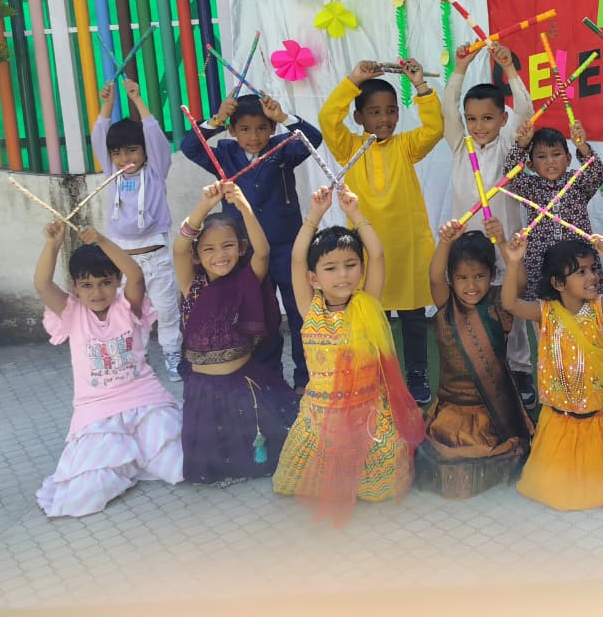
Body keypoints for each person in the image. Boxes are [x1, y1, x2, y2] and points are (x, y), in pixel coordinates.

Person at [273, 185, 425, 523]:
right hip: (321, 416)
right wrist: (314, 214)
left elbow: (378, 254)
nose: (342, 275)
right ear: (313, 278)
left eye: (350, 265)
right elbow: (297, 259)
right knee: (310, 482)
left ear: (361, 269)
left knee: (381, 484)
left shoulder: (367, 302)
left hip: (367, 412)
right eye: (330, 268)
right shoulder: (309, 309)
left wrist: (355, 213)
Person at [501, 234, 603, 510]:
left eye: (593, 269)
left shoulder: (598, 308)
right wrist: (514, 263)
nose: (592, 277)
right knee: (565, 485)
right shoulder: (545, 313)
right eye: (581, 272)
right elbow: (510, 304)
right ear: (558, 283)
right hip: (562, 419)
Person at [34, 223, 182, 517]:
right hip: (97, 411)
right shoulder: (72, 313)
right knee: (83, 496)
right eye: (86, 285)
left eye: (105, 282)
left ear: (117, 281)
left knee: (179, 465)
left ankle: (137, 455)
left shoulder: (128, 306)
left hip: (146, 400)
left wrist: (102, 240)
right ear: (75, 287)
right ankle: (127, 459)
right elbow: (43, 285)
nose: (97, 292)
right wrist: (52, 244)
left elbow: (136, 274)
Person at [318, 59, 443, 405]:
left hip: (407, 247)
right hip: (368, 250)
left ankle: (417, 373)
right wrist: (353, 79)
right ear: (359, 117)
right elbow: (328, 118)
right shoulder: (349, 148)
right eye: (374, 112)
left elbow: (434, 129)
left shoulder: (406, 145)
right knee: (375, 318)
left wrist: (420, 85)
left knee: (414, 317)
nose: (384, 119)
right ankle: (382, 375)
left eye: (391, 111)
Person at [182, 92, 324, 391]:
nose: (254, 136)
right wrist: (217, 120)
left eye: (262, 128)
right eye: (244, 129)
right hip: (248, 253)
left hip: (288, 249)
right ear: (232, 131)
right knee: (261, 317)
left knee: (300, 313)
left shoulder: (282, 149)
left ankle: (306, 379)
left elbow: (314, 138)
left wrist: (283, 117)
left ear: (272, 128)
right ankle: (269, 382)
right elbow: (190, 146)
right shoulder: (225, 155)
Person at [173, 182, 298, 483]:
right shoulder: (192, 285)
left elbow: (263, 252)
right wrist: (204, 206)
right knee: (211, 461)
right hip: (202, 388)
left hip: (243, 384)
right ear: (196, 255)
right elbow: (178, 248)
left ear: (241, 248)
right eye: (209, 249)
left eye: (228, 245)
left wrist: (243, 206)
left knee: (258, 452)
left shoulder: (247, 279)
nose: (220, 254)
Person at [443, 42, 536, 405]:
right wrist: (459, 68)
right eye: (472, 119)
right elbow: (447, 108)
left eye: (487, 118)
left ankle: (520, 370)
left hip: (505, 244)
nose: (479, 126)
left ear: (502, 119)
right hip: (468, 250)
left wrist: (509, 69)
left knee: (509, 305)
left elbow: (525, 110)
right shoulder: (459, 145)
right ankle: (480, 371)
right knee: (472, 309)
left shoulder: (509, 146)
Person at [415, 219, 533, 499]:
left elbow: (520, 284)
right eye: (462, 278)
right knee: (444, 451)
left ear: (492, 275)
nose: (471, 285)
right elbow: (434, 277)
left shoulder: (500, 303)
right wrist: (445, 241)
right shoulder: (446, 304)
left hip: (492, 409)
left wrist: (503, 243)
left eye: (479, 276)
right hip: (452, 406)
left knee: (495, 447)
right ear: (452, 278)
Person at [91, 79, 181, 380]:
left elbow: (155, 138)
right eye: (117, 153)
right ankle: (138, 361)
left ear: (144, 151)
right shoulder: (111, 173)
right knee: (129, 314)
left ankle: (173, 355)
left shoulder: (156, 170)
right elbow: (99, 137)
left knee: (166, 311)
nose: (124, 159)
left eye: (132, 150)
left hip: (156, 258)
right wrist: (107, 104)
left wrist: (138, 100)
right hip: (123, 261)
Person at [502, 118, 603, 306]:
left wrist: (582, 147)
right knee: (544, 310)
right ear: (531, 165)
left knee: (588, 308)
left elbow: (598, 173)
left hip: (579, 260)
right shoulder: (530, 187)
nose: (550, 161)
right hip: (541, 260)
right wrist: (522, 144)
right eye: (541, 156)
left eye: (556, 154)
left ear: (568, 159)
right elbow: (510, 172)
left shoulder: (577, 181)